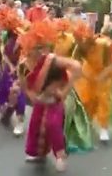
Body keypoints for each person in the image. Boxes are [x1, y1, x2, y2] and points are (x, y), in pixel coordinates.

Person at [19, 20, 83, 172]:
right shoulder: (23, 64)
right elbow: (23, 85)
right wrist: (30, 95)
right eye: (37, 48)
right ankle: (39, 154)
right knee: (36, 126)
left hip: (55, 101)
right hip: (39, 102)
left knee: (53, 125)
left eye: (43, 47)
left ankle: (60, 156)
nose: (41, 51)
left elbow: (77, 67)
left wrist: (65, 91)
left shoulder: (52, 60)